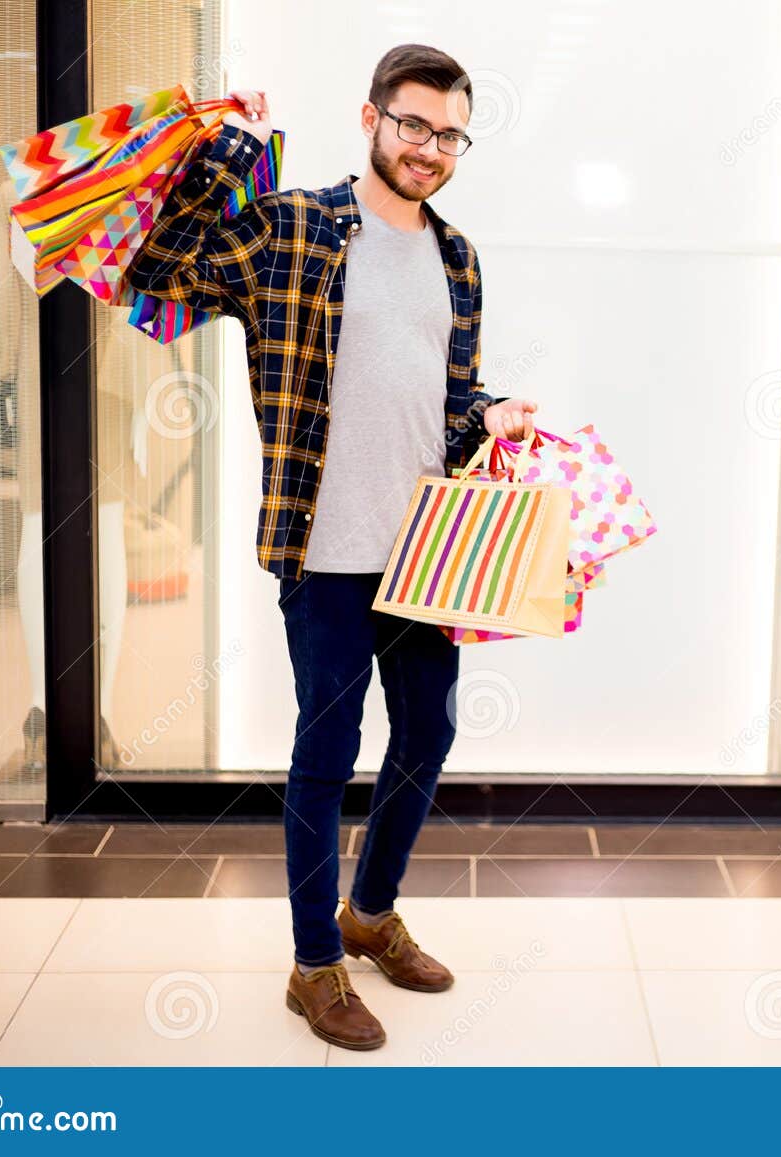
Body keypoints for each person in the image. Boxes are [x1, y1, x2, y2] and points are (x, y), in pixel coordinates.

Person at [125, 44, 540, 1051]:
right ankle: (315, 965)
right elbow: (157, 267)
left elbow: (446, 401)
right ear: (370, 120)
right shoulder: (292, 227)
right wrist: (226, 149)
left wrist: (492, 413)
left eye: (449, 133)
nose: (430, 148)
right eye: (413, 125)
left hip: (426, 550)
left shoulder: (458, 257)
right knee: (326, 751)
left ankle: (371, 911)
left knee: (428, 734)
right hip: (323, 545)